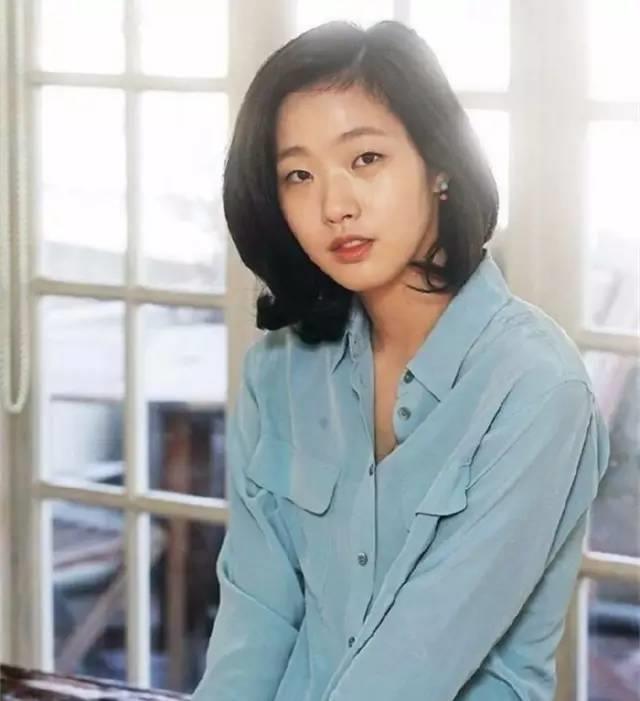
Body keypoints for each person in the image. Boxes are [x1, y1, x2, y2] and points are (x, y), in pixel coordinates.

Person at [191, 20, 611, 701]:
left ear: (439, 165)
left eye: (366, 159)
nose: (335, 206)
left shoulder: (536, 388)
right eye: (299, 175)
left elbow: (419, 658)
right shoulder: (279, 371)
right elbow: (254, 624)